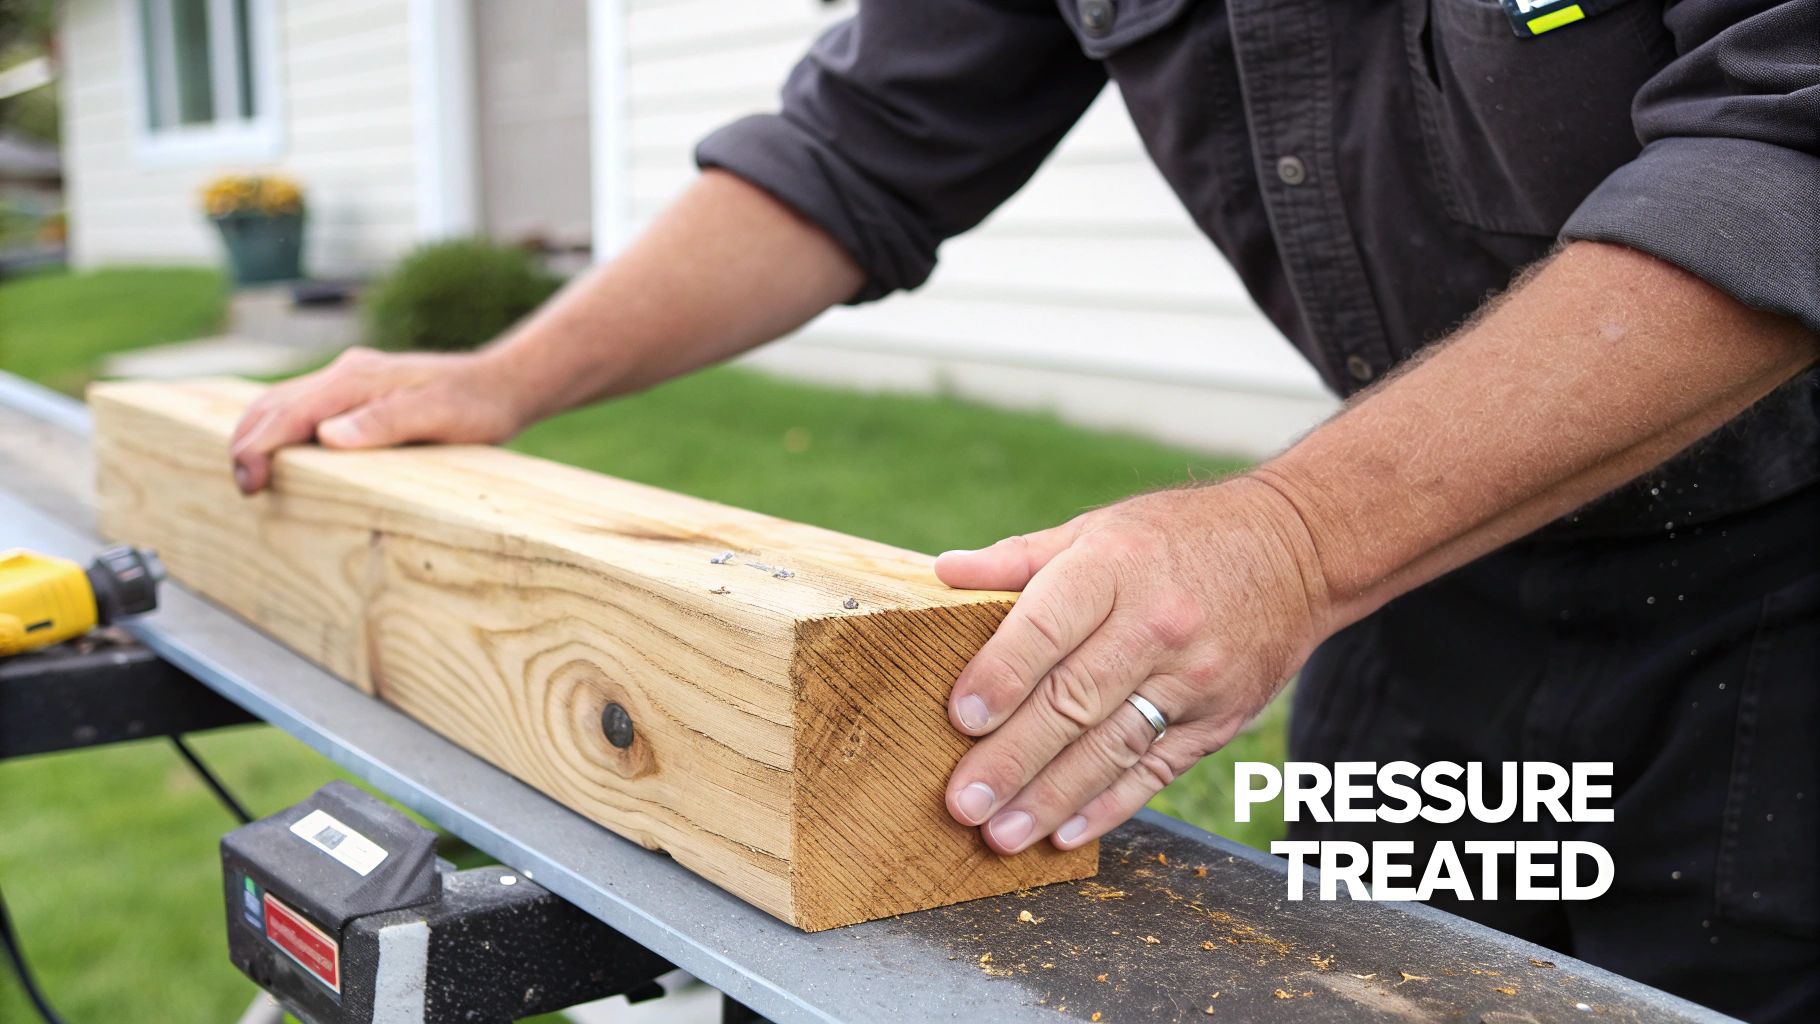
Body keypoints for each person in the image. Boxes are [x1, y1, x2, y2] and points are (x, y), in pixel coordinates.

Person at [228, 2, 1819, 1018]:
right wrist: (508, 377)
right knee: (1360, 983)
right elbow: (856, 148)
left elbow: (1785, 149)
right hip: (1432, 575)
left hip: (1777, 596)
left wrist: (1297, 541)